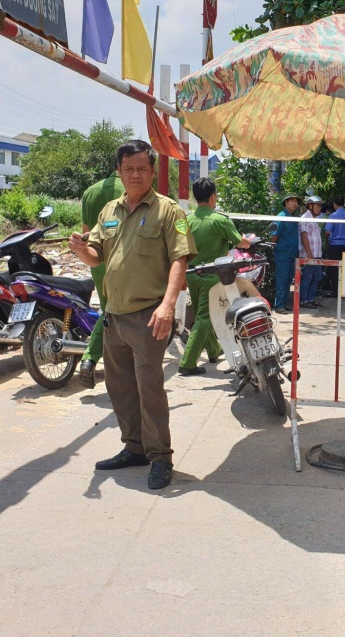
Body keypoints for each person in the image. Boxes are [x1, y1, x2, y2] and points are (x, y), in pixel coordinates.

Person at [68, 140, 196, 490]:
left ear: (153, 172)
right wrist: (82, 250)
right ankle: (134, 448)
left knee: (149, 389)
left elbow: (180, 260)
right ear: (119, 172)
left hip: (148, 316)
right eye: (129, 168)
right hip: (113, 317)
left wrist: (168, 305)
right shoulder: (109, 210)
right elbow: (97, 256)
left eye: (142, 168)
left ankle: (160, 457)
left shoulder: (170, 212)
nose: (135, 174)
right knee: (120, 388)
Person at [178, 177, 250, 376]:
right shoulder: (220, 220)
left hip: (191, 273)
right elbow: (240, 242)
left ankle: (213, 350)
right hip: (213, 276)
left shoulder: (185, 220)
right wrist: (249, 242)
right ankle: (188, 362)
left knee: (207, 313)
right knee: (205, 317)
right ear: (212, 197)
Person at [75, 168, 125, 389]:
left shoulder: (90, 192)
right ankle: (94, 358)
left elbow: (86, 234)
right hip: (126, 260)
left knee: (108, 310)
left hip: (97, 260)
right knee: (127, 313)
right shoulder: (134, 189)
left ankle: (89, 360)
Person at [271, 193, 301, 314]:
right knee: (282, 279)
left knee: (289, 279)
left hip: (292, 254)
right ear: (286, 203)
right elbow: (274, 236)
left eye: (296, 201)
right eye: (292, 201)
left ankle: (284, 303)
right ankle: (279, 305)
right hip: (283, 254)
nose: (294, 203)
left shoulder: (293, 218)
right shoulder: (281, 217)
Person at [324, 196, 345, 296]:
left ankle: (336, 290)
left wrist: (327, 240)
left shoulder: (333, 216)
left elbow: (327, 232)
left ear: (335, 205)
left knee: (334, 269)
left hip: (334, 246)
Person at [298, 195, 325, 309]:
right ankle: (304, 300)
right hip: (309, 255)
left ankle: (311, 299)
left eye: (320, 206)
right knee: (308, 277)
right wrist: (309, 253)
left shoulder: (314, 219)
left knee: (317, 277)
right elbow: (304, 236)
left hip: (317, 255)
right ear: (310, 206)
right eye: (317, 205)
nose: (319, 208)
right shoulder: (305, 218)